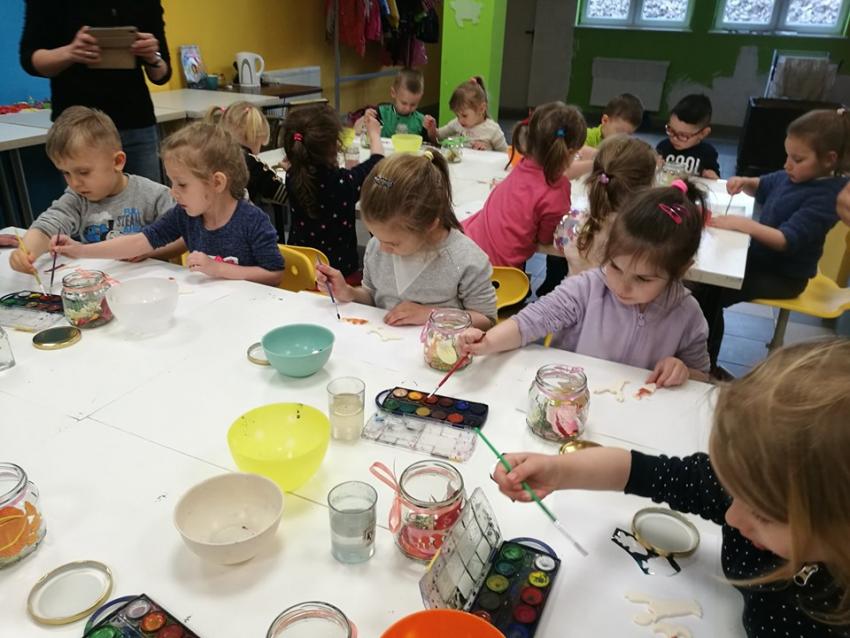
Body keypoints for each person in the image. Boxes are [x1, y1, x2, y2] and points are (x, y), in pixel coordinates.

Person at [491, 338, 850, 638]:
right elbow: (640, 471)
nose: (731, 516)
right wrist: (558, 471)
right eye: (732, 489)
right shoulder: (755, 485)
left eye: (763, 515)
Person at [460, 181, 710, 387]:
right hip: (572, 401)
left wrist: (683, 371)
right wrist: (488, 342)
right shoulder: (587, 288)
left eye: (643, 279)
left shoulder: (687, 314)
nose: (622, 286)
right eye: (615, 266)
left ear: (681, 269)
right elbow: (530, 322)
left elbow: (701, 375)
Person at [694, 109, 850, 375]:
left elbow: (786, 240)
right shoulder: (795, 175)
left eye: (797, 159)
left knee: (712, 295)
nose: (788, 165)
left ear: (829, 160)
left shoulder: (825, 197)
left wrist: (745, 225)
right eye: (787, 156)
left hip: (785, 277)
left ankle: (704, 366)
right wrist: (744, 182)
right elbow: (763, 185)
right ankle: (701, 358)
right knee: (706, 288)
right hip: (761, 261)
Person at [51, 122, 284, 286]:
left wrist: (219, 269)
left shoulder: (252, 221)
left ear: (217, 182)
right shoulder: (185, 216)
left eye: (182, 184)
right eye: (172, 182)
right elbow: (139, 242)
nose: (173, 192)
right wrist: (80, 250)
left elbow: (275, 274)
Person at [316, 152, 497, 329]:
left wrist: (430, 314)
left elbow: (486, 319)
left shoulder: (465, 259)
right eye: (375, 236)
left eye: (393, 243)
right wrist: (348, 292)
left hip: (434, 347)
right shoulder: (378, 245)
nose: (382, 248)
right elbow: (372, 296)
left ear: (429, 225)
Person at [9, 106, 174, 275]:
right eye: (66, 173)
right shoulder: (77, 198)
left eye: (83, 172)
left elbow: (180, 237)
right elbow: (47, 226)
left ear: (117, 162)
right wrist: (25, 252)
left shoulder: (153, 195)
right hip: (97, 280)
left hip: (148, 281)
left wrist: (147, 250)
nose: (75, 183)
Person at [20, 0, 172, 182]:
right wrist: (70, 52)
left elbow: (162, 74)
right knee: (85, 197)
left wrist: (152, 57)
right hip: (77, 127)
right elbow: (29, 60)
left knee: (146, 196)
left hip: (135, 122)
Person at [462, 102, 584, 268]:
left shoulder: (524, 163)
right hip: (496, 271)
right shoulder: (558, 189)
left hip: (467, 246)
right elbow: (545, 238)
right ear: (569, 153)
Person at [283, 103, 384, 282]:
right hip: (340, 277)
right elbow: (377, 163)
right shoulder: (343, 182)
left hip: (300, 271)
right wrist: (374, 135)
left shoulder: (291, 176)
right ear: (335, 146)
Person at [565, 135, 657, 276]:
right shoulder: (651, 234)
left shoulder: (573, 222)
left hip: (573, 289)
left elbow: (558, 243)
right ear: (649, 187)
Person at [205, 102, 287, 209]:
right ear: (255, 137)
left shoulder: (208, 153)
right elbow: (284, 195)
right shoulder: (252, 164)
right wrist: (291, 173)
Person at [566, 93, 644, 179]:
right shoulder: (585, 136)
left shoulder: (625, 147)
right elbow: (569, 168)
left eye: (628, 135)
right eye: (619, 132)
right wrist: (603, 159)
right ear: (605, 120)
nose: (622, 139)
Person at [425, 77, 507, 151]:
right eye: (457, 116)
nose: (460, 120)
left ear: (481, 109)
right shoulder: (457, 123)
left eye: (464, 115)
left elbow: (506, 155)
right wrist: (432, 129)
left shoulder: (493, 130)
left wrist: (486, 151)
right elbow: (438, 137)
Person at [354, 67, 435, 138]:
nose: (408, 108)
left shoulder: (421, 121)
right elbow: (356, 131)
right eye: (404, 103)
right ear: (393, 93)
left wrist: (431, 132)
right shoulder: (382, 113)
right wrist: (365, 119)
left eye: (413, 105)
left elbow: (430, 145)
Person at [656, 94, 720, 179]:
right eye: (671, 130)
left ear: (703, 133)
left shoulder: (707, 153)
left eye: (683, 135)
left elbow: (716, 180)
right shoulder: (663, 147)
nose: (674, 138)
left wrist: (712, 177)